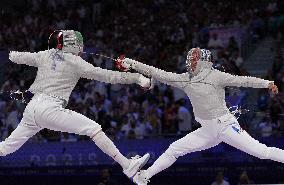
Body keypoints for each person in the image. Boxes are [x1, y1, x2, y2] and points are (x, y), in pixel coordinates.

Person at [116, 47, 281, 184]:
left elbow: (242, 80)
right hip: (208, 131)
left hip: (225, 125)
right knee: (174, 149)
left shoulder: (216, 76)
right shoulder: (185, 79)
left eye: (194, 59)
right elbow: (157, 73)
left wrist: (266, 83)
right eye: (190, 59)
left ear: (203, 61)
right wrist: (131, 63)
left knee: (262, 152)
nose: (191, 62)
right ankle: (144, 177)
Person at [0, 30, 150, 179]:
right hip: (49, 109)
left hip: (31, 108)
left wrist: (10, 54)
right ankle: (127, 165)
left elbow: (16, 56)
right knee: (93, 129)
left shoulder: (47, 54)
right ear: (76, 45)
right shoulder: (76, 62)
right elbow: (108, 76)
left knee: (6, 147)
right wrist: (136, 78)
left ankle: (130, 168)